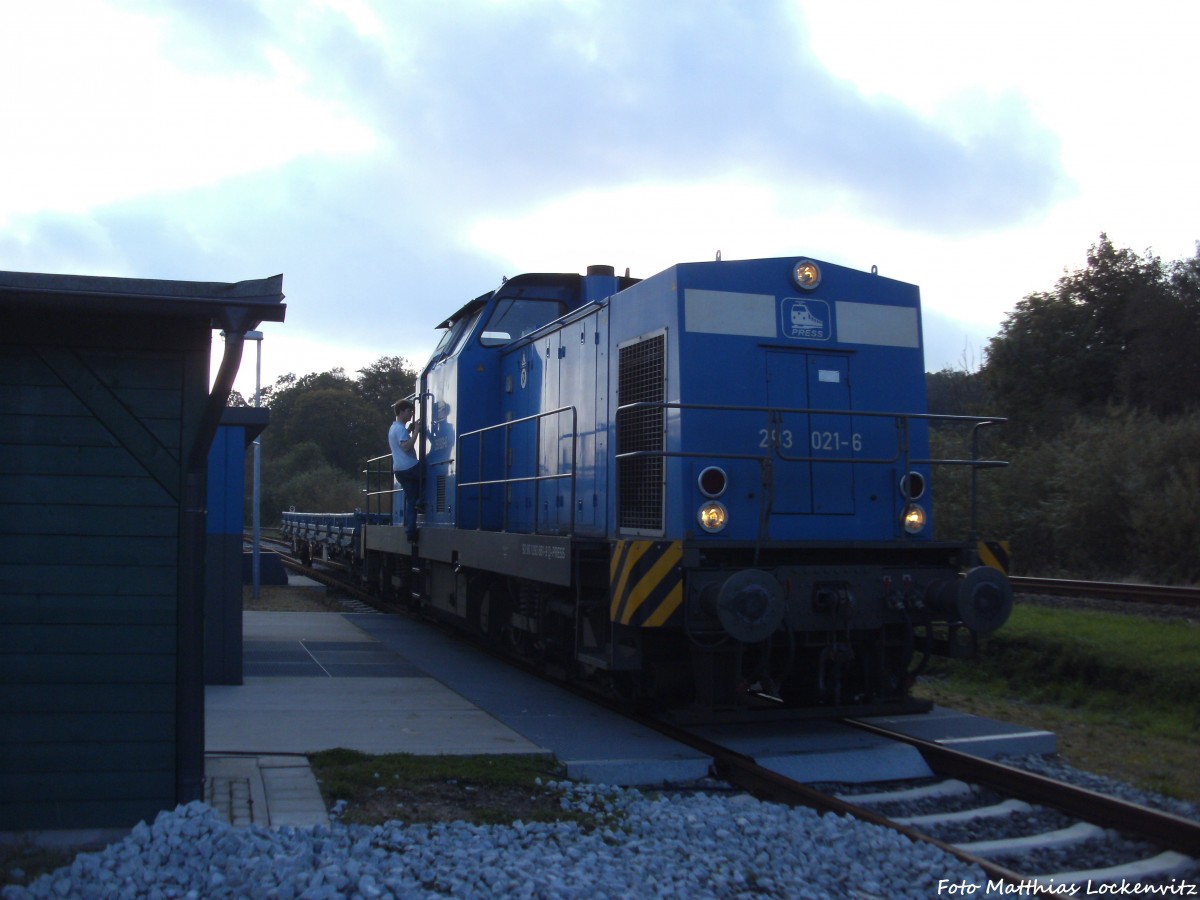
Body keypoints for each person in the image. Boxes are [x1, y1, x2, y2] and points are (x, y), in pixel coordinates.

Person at [388, 399, 422, 543]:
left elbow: (401, 439)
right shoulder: (400, 429)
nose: (411, 414)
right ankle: (422, 500)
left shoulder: (393, 428)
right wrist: (417, 432)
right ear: (401, 411)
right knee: (433, 472)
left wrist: (409, 430)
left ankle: (410, 531)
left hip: (398, 469)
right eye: (409, 411)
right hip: (409, 467)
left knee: (410, 500)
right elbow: (406, 446)